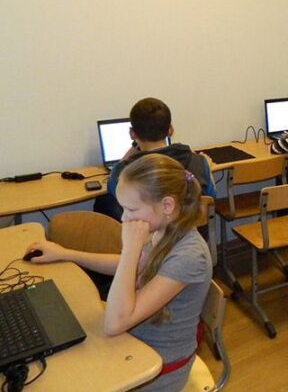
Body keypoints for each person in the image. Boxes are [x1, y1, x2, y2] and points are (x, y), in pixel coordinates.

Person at [26, 154, 212, 391]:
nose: (124, 218)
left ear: (167, 206)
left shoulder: (189, 256)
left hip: (156, 369)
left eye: (131, 209)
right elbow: (129, 266)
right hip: (133, 342)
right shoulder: (162, 230)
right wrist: (66, 254)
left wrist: (132, 248)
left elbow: (114, 323)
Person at [95, 98, 215, 221]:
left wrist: (134, 147)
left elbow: (112, 186)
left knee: (103, 202)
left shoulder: (123, 172)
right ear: (170, 130)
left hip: (151, 232)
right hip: (190, 228)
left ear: (132, 133)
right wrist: (206, 167)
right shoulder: (199, 161)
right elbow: (210, 198)